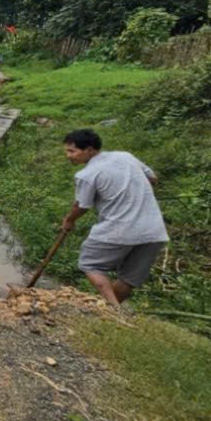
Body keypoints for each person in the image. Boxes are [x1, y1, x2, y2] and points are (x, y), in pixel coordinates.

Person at [61, 129, 168, 306]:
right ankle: (111, 310)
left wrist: (69, 220)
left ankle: (114, 310)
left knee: (90, 263)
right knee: (129, 277)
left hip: (121, 228)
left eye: (72, 151)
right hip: (154, 231)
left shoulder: (86, 175)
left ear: (89, 150)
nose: (68, 155)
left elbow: (82, 205)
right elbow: (152, 179)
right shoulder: (125, 156)